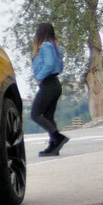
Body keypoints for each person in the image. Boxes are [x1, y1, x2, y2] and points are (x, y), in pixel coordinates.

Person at [29, 22, 68, 156]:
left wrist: (39, 77)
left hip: (48, 84)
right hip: (55, 84)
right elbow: (60, 66)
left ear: (39, 33)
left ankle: (58, 138)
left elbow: (50, 64)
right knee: (47, 116)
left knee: (35, 114)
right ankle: (54, 147)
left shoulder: (45, 46)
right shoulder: (56, 47)